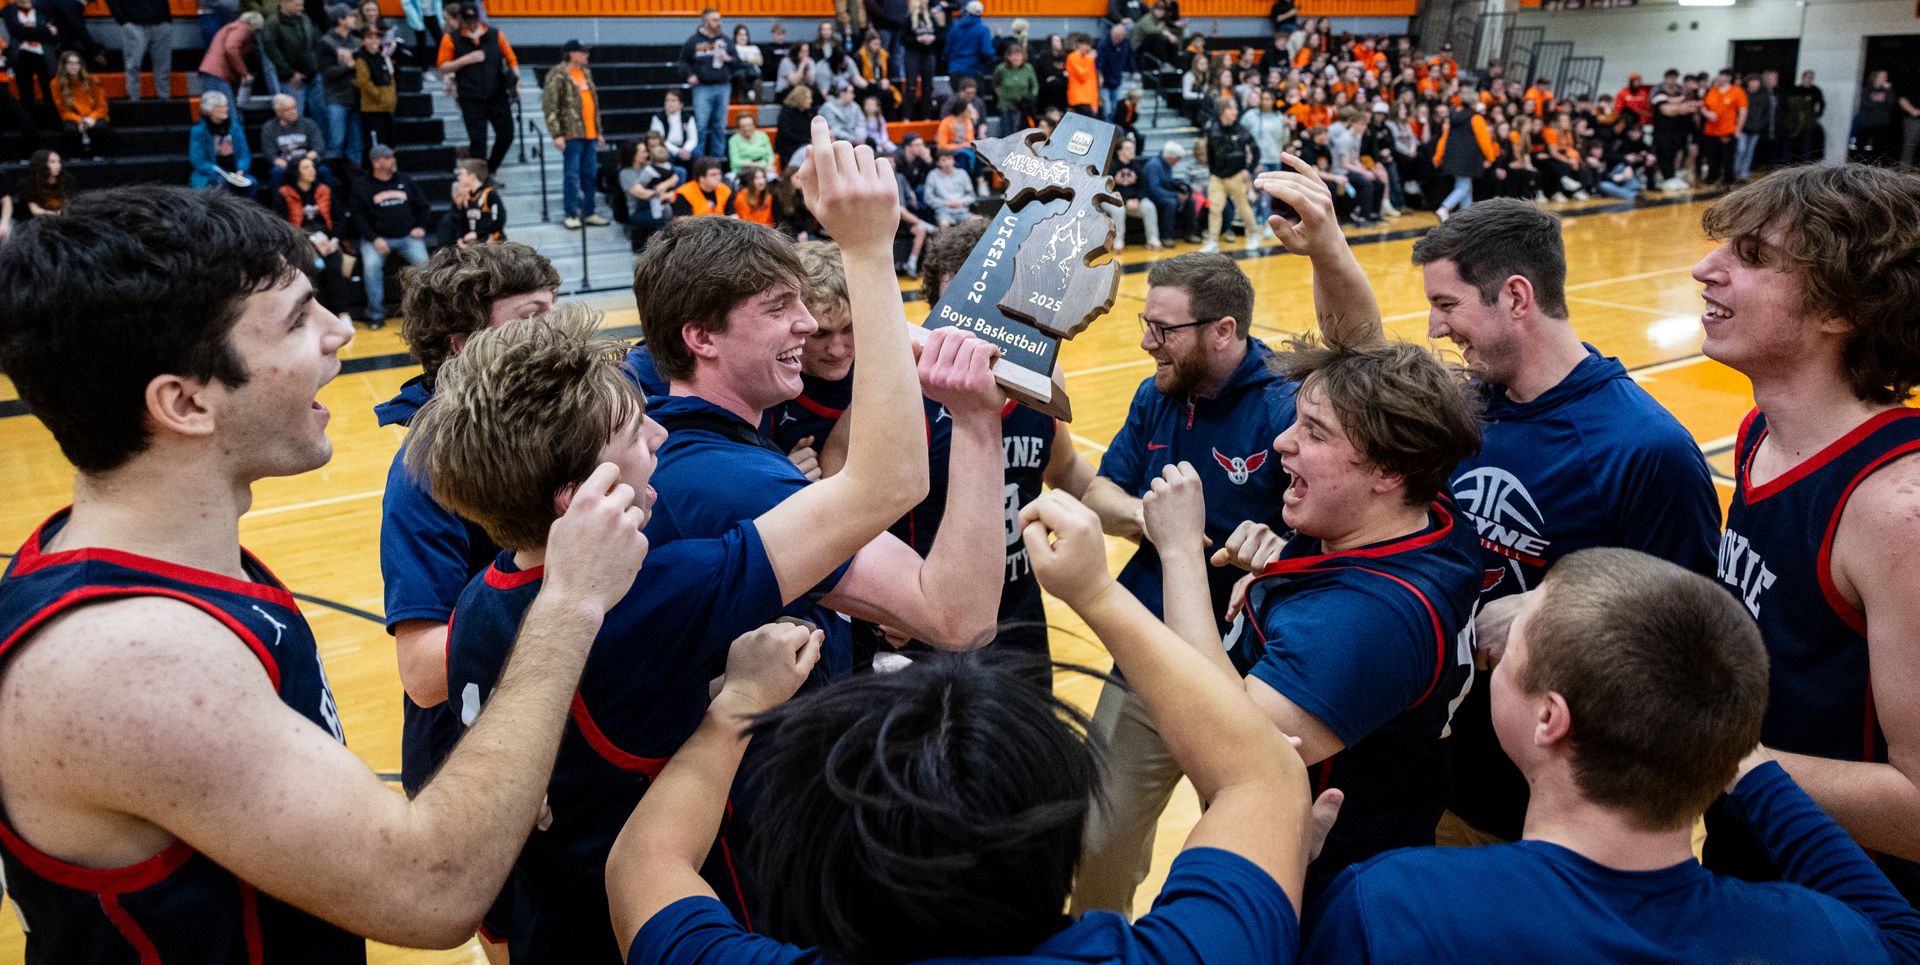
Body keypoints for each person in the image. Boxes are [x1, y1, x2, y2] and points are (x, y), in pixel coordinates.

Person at [0, 186, 650, 962]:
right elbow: (431, 888)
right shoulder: (129, 661)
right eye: (299, 319)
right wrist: (569, 600)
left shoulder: (181, 562)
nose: (342, 333)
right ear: (184, 401)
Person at [430, 123, 967, 962]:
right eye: (632, 431)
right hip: (669, 925)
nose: (656, 433)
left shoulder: (477, 604)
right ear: (584, 498)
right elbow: (890, 483)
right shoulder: (661, 592)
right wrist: (867, 251)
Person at [608, 484, 1325, 964]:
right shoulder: (1195, 950)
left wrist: (737, 705)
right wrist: (1096, 592)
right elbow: (1262, 772)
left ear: (813, 864)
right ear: (1060, 835)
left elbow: (646, 861)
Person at [1301, 188, 1722, 844]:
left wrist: (1541, 613)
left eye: (1446, 305)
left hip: (1556, 811)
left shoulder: (1644, 449)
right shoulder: (1473, 403)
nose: (1436, 328)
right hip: (1440, 773)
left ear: (1517, 297)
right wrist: (1327, 251)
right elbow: (1365, 359)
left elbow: (1689, 633)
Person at [1299, 548, 1920, 962]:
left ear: (1549, 718)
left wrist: (1277, 874)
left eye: (1513, 644)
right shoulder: (1817, 939)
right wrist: (1744, 760)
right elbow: (1901, 934)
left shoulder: (1393, 908)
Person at [636, 117, 1005, 687]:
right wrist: (978, 423)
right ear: (701, 337)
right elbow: (957, 617)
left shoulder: (701, 443)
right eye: (779, 307)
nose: (807, 325)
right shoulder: (724, 479)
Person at [1692, 165, 1920, 907]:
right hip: (1750, 855)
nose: (1705, 269)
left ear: (1841, 309)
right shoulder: (1760, 432)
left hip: (1851, 906)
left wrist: (1697, 751)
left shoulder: (1894, 509)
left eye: (1752, 257)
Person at [1070, 250, 1302, 914]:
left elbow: (1338, 534)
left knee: (1249, 848)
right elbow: (1105, 489)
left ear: (1223, 330)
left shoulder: (1289, 407)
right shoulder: (1157, 394)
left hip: (1252, 678)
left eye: (1163, 328)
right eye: (1146, 322)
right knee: (1096, 836)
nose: (1147, 341)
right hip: (1149, 652)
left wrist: (1279, 551)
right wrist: (1148, 518)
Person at [349, 144, 431, 326]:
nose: (394, 161)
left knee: (425, 265)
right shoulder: (362, 185)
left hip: (408, 237)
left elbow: (424, 206)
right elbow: (358, 217)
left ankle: (428, 311)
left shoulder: (405, 180)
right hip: (377, 238)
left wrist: (420, 227)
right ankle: (375, 314)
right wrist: (373, 238)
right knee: (371, 266)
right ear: (377, 162)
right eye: (389, 158)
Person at [438, 2, 518, 176]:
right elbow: (443, 66)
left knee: (507, 134)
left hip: (497, 94)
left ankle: (490, 169)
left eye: (474, 19)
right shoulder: (451, 38)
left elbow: (512, 60)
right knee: (478, 141)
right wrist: (465, 60)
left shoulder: (496, 34)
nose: (472, 24)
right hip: (471, 97)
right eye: (467, 20)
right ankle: (480, 179)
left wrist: (515, 83)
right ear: (460, 19)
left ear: (479, 17)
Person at [272, 154, 354, 317]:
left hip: (328, 242)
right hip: (300, 243)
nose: (312, 171)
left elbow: (339, 218)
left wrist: (334, 240)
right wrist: (309, 243)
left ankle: (343, 314)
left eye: (312, 166)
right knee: (314, 268)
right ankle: (314, 315)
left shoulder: (324, 190)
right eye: (306, 167)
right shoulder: (284, 193)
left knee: (334, 268)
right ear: (297, 172)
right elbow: (281, 225)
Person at [543, 39, 608, 230]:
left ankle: (589, 212)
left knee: (590, 174)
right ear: (572, 54)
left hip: (590, 134)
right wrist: (556, 134)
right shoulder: (558, 74)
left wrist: (599, 131)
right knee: (572, 175)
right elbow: (550, 105)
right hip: (571, 134)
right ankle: (570, 213)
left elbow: (594, 104)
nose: (587, 55)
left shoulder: (586, 73)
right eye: (583, 52)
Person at [1431, 79, 1497, 222]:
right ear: (1474, 102)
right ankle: (1444, 207)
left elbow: (1444, 137)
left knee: (1464, 186)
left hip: (1452, 157)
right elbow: (1484, 140)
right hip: (1468, 159)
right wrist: (1490, 157)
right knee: (1464, 186)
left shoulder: (1453, 118)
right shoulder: (1476, 118)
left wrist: (1438, 156)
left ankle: (1467, 216)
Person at [1201, 96, 1259, 252]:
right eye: (1231, 108)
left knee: (1243, 207)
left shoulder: (1241, 130)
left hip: (1236, 175)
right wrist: (1212, 172)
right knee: (1215, 208)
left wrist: (1248, 169)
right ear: (1222, 111)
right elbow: (1209, 153)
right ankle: (1213, 240)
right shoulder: (1211, 129)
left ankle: (1253, 234)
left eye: (1235, 108)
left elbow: (1256, 151)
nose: (1235, 111)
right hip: (1217, 176)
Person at [679, 8, 734, 160]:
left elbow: (737, 61)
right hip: (702, 88)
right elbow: (683, 61)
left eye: (720, 19)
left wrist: (729, 59)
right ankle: (699, 161)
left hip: (723, 86)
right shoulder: (694, 41)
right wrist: (689, 75)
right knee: (701, 126)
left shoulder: (726, 40)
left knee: (720, 126)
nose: (719, 23)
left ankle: (717, 161)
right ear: (705, 21)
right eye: (715, 20)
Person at [317, 4, 364, 162]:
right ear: (340, 20)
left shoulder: (357, 41)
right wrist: (348, 66)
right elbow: (326, 73)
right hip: (336, 98)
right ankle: (332, 180)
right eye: (351, 16)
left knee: (356, 144)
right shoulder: (326, 42)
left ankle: (355, 181)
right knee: (336, 142)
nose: (354, 19)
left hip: (356, 98)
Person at [261, 0, 321, 119]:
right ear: (285, 3)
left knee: (320, 115)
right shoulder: (273, 23)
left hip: (312, 76)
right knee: (295, 116)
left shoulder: (305, 19)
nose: (302, 8)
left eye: (302, 4)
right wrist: (290, 73)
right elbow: (272, 52)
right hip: (291, 80)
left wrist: (316, 66)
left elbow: (314, 43)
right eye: (297, 5)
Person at [188, 90, 255, 196]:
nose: (226, 109)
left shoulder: (235, 127)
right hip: (211, 173)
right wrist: (220, 173)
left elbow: (244, 154)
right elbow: (198, 161)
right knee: (221, 184)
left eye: (225, 106)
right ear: (209, 110)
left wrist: (241, 169)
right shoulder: (199, 131)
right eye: (220, 107)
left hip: (235, 171)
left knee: (250, 184)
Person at [2, 0, 58, 124]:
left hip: (43, 55)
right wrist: (44, 30)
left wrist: (27, 31)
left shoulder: (43, 7)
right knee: (25, 93)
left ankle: (55, 123)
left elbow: (54, 32)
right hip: (22, 55)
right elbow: (16, 30)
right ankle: (29, 125)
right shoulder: (8, 10)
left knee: (49, 90)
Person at [105, 0, 174, 100]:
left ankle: (165, 101)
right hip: (133, 22)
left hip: (161, 21)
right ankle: (134, 102)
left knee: (163, 67)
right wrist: (122, 20)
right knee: (133, 65)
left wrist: (167, 19)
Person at [260, 91, 326, 191]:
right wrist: (292, 168)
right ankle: (278, 205)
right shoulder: (269, 128)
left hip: (307, 163)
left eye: (294, 107)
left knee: (324, 171)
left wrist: (303, 164)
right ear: (278, 112)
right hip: (285, 166)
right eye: (288, 110)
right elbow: (270, 155)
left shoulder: (308, 123)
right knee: (277, 173)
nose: (293, 111)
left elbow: (319, 147)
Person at [620, 139, 679, 251]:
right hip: (639, 210)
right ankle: (663, 249)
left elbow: (675, 177)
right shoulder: (625, 173)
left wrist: (664, 187)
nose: (647, 154)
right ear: (633, 155)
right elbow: (642, 193)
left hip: (657, 202)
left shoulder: (648, 166)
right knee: (663, 216)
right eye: (643, 152)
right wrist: (664, 193)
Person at [50, 50, 110, 157]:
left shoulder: (92, 80)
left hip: (94, 115)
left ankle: (99, 155)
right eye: (71, 63)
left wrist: (91, 119)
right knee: (71, 130)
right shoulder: (56, 83)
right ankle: (76, 157)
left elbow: (102, 106)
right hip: (73, 117)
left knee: (99, 127)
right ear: (64, 65)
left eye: (77, 63)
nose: (74, 66)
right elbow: (63, 110)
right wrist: (81, 120)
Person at [353, 24, 397, 163]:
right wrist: (380, 96)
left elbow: (391, 77)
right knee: (375, 144)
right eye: (370, 38)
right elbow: (364, 82)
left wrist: (391, 97)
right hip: (372, 109)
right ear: (363, 41)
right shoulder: (361, 58)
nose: (374, 41)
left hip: (386, 107)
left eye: (376, 38)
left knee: (389, 142)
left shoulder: (383, 56)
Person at [197, 8, 260, 104]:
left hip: (211, 71)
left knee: (214, 111)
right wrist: (244, 73)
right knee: (230, 113)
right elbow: (231, 48)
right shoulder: (243, 28)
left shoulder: (232, 27)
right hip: (219, 73)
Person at [1700, 69, 1744, 186]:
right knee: (1711, 156)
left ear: (1729, 78)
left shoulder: (1737, 91)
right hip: (1710, 130)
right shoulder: (1713, 91)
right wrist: (1707, 114)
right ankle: (1712, 177)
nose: (1720, 77)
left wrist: (1738, 129)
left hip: (1727, 130)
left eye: (1724, 75)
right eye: (1719, 75)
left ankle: (1728, 179)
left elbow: (1743, 111)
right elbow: (1703, 106)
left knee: (1727, 157)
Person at [453, 157, 505, 244]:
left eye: (461, 174)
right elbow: (463, 222)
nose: (459, 178)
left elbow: (499, 219)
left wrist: (478, 234)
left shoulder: (489, 194)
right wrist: (460, 238)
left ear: (472, 176)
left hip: (494, 246)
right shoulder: (467, 196)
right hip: (476, 246)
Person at [943, 0, 994, 86]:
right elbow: (987, 52)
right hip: (974, 72)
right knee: (975, 99)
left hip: (955, 71)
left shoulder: (954, 29)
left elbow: (947, 51)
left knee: (958, 98)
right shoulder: (983, 30)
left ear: (966, 11)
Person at [922, 147, 974, 227]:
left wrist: (960, 202)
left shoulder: (962, 173)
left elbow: (971, 196)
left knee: (978, 221)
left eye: (950, 159)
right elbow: (928, 198)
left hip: (962, 210)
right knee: (944, 224)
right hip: (943, 211)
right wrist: (945, 203)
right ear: (938, 163)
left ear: (954, 160)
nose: (947, 162)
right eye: (943, 160)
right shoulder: (933, 175)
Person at [1094, 22, 1135, 123]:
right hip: (1105, 82)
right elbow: (1099, 62)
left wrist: (1134, 71)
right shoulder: (1103, 44)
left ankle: (1113, 128)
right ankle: (1106, 127)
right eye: (1114, 37)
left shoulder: (1125, 43)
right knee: (1107, 108)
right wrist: (1100, 75)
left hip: (1117, 80)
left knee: (1115, 107)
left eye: (1118, 37)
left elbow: (1130, 57)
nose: (1115, 39)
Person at [13, 147, 68, 220]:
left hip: (61, 216)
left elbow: (68, 203)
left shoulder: (65, 180)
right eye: (52, 162)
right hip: (36, 221)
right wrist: (56, 214)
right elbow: (35, 210)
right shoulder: (28, 184)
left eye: (59, 162)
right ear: (41, 164)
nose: (58, 165)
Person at [651, 88, 700, 165]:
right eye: (667, 100)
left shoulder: (688, 118)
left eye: (673, 100)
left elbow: (693, 138)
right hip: (667, 147)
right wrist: (677, 151)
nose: (670, 103)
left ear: (681, 104)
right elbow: (660, 140)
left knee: (697, 154)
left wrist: (685, 149)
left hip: (684, 146)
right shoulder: (658, 118)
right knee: (665, 155)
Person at [775, 83, 816, 166]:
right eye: (808, 98)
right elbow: (785, 134)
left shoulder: (808, 113)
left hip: (804, 144)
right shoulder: (787, 112)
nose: (811, 101)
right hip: (789, 147)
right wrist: (807, 140)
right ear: (800, 98)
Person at [1065, 32, 1098, 117]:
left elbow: (1092, 82)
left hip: (1088, 100)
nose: (1088, 48)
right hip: (1078, 98)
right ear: (1079, 44)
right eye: (1086, 44)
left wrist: (1094, 103)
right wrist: (1090, 60)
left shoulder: (1088, 59)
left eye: (1090, 45)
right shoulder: (1072, 57)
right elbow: (1082, 76)